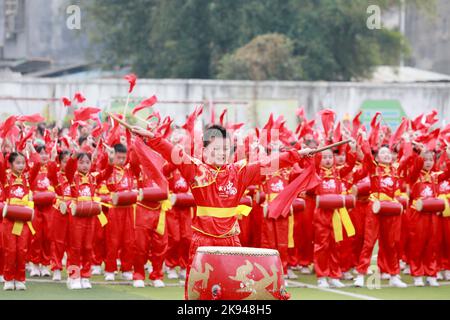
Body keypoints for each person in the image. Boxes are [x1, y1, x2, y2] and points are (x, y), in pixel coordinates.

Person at [131, 124, 314, 298]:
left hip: (231, 241)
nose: (221, 153)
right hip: (204, 242)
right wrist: (152, 137)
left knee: (235, 290)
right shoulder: (196, 170)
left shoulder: (239, 172)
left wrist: (298, 155)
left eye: (225, 149)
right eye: (215, 149)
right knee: (201, 292)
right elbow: (174, 153)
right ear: (204, 151)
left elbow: (270, 163)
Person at [1, 142, 40, 290]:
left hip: (23, 219)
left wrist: (31, 148)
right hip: (9, 219)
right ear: (10, 164)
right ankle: (9, 279)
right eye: (17, 163)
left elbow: (36, 163)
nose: (21, 165)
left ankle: (20, 279)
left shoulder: (28, 178)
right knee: (10, 249)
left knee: (22, 250)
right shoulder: (5, 178)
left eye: (23, 163)